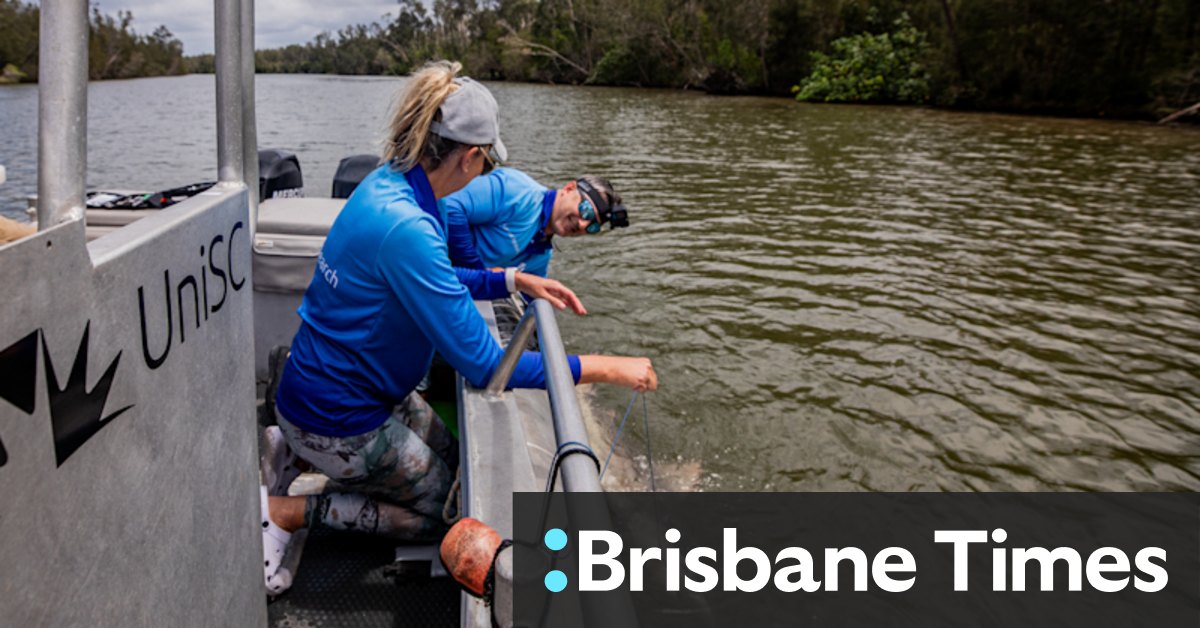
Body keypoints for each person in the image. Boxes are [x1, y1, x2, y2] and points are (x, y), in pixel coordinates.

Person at [259, 61, 657, 594]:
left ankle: (292, 448)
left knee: (453, 462)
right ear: (471, 157)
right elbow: (488, 364)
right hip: (336, 414)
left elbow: (442, 278)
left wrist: (513, 280)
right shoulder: (408, 228)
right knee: (444, 516)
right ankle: (285, 512)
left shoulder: (389, 184)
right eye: (486, 161)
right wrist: (607, 367)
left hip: (356, 389)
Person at [442, 168, 629, 278]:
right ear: (569, 188)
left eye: (592, 226)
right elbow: (451, 206)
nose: (582, 224)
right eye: (585, 210)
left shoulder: (541, 255)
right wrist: (476, 269)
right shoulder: (516, 190)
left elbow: (532, 295)